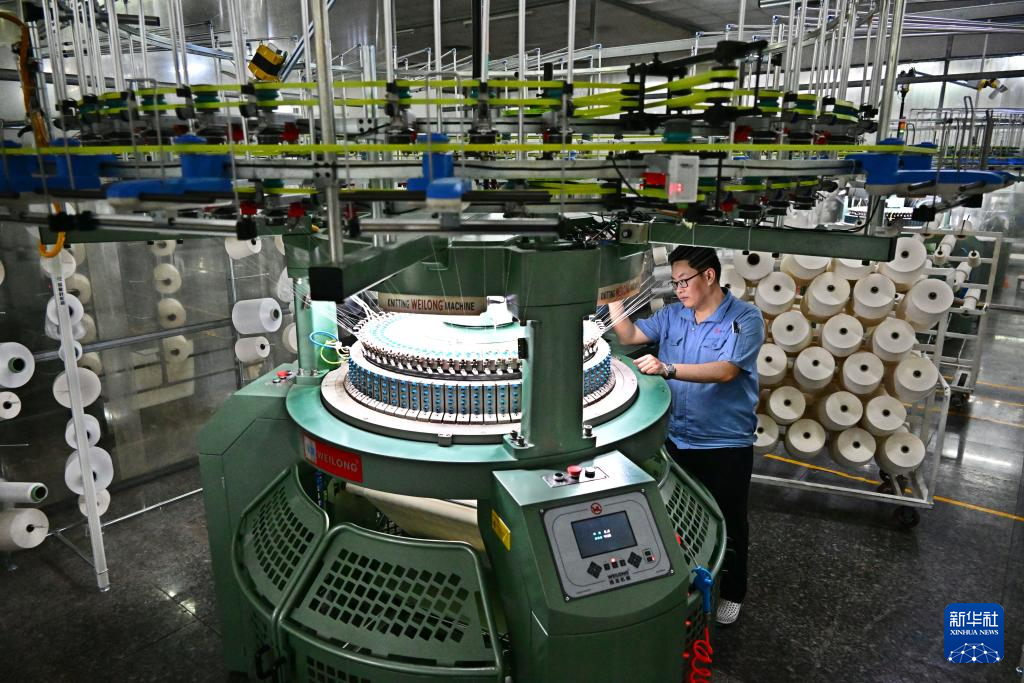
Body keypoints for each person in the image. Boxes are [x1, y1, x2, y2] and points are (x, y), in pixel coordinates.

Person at [607, 245, 764, 626]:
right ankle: (686, 582)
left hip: (723, 442)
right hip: (676, 438)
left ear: (709, 276)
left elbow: (727, 370)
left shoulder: (745, 318)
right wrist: (611, 294)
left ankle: (733, 592)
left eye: (683, 281)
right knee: (679, 516)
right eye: (674, 282)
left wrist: (668, 368)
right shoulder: (673, 315)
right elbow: (628, 333)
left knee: (729, 519)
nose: (677, 289)